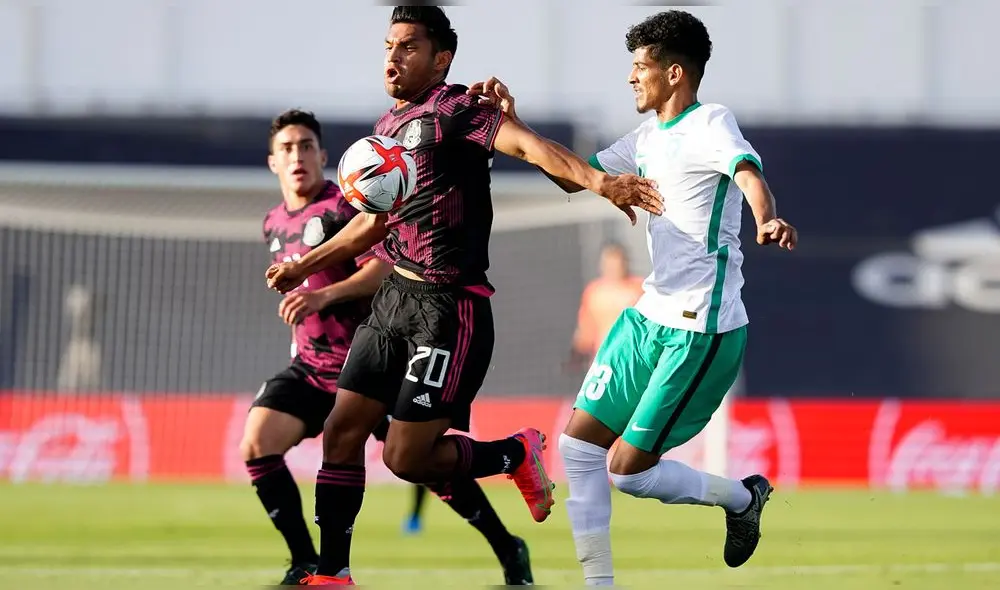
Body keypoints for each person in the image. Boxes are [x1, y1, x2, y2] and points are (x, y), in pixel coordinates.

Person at [264, 6, 664, 586]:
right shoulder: (388, 128)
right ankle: (334, 573)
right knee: (341, 432)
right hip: (393, 301)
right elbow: (373, 222)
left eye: (408, 47)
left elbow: (531, 148)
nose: (393, 59)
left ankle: (514, 454)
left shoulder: (460, 110)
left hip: (449, 309)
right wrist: (305, 265)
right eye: (388, 46)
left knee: (406, 458)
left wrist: (602, 182)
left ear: (441, 59)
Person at [468, 10, 799, 587]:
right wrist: (514, 124)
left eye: (640, 66)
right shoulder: (643, 139)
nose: (630, 77)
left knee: (628, 472)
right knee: (577, 448)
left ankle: (742, 499)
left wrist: (766, 219)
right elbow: (571, 177)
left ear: (674, 73)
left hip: (701, 326)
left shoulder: (711, 122)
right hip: (648, 316)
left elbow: (748, 175)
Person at [243, 109, 535, 586]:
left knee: (422, 465)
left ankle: (507, 545)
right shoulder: (273, 222)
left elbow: (383, 269)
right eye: (287, 149)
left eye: (306, 146)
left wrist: (323, 296)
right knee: (257, 442)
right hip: (312, 366)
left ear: (323, 155)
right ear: (273, 161)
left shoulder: (352, 204)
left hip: (371, 363)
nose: (297, 156)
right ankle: (307, 562)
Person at [568, 242, 644, 372]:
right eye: (609, 263)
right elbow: (586, 329)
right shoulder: (594, 291)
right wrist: (576, 354)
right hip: (604, 360)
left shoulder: (640, 288)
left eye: (616, 263)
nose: (613, 268)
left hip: (634, 357)